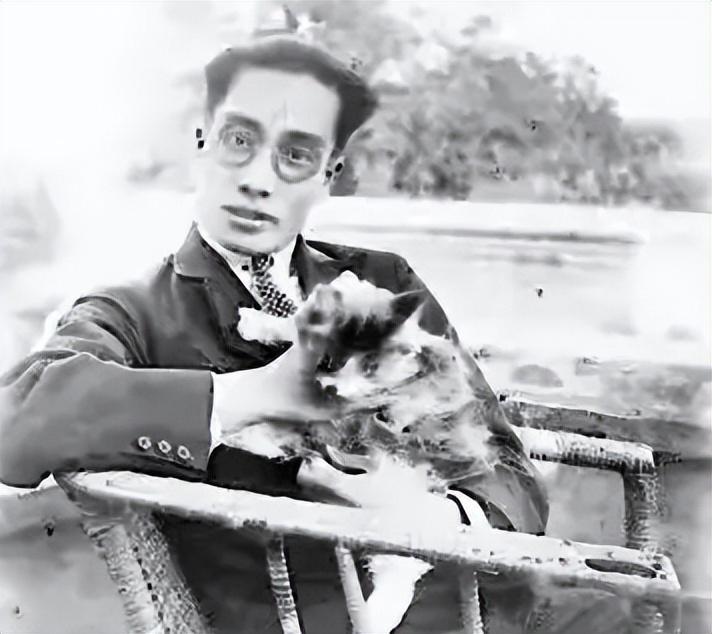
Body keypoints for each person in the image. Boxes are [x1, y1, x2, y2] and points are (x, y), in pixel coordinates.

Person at [0, 27, 550, 634]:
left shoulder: (385, 281)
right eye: (239, 140)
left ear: (327, 177)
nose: (259, 180)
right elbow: (13, 422)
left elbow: (508, 468)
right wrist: (255, 393)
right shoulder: (135, 312)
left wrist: (437, 518)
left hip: (480, 601)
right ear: (202, 145)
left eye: (296, 155)